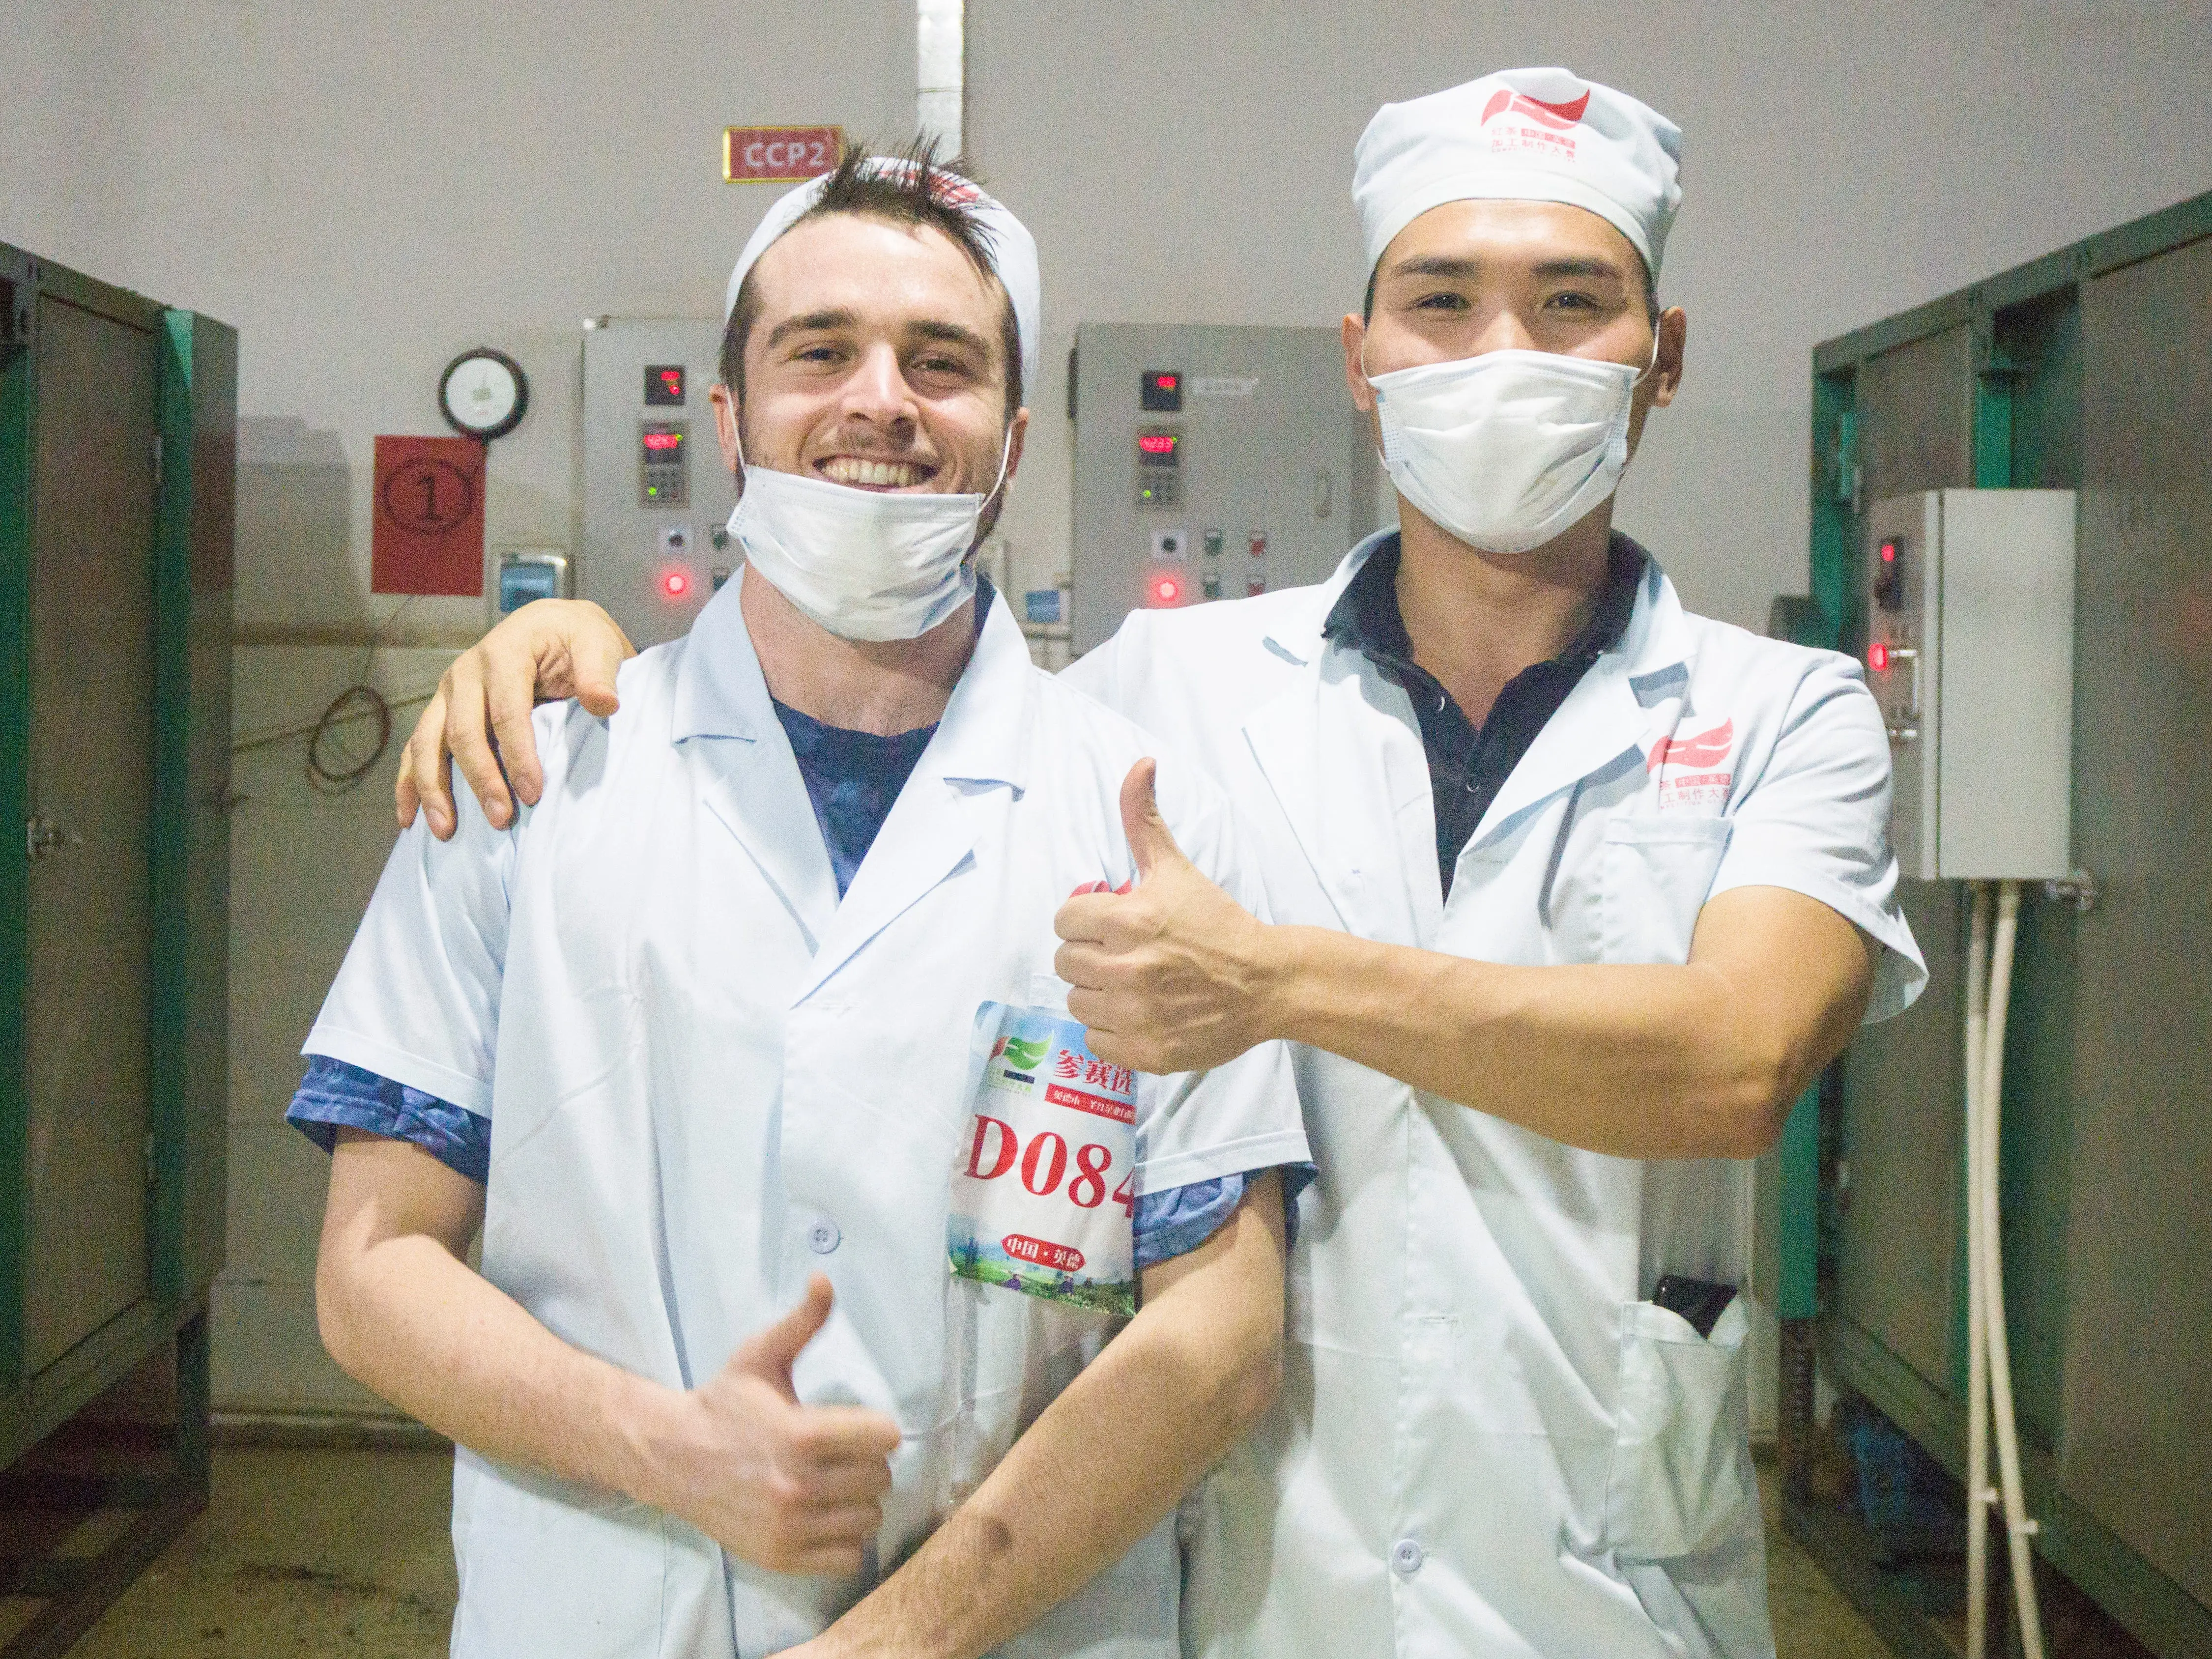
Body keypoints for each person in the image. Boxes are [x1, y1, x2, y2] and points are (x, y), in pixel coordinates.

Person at [399, 71, 1925, 1659]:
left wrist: (1270, 982)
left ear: (1659, 358)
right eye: (1442, 303)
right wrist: (582, 651)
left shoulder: (1778, 712)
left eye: (1571, 303)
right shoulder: (1170, 691)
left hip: (1611, 1582)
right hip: (1261, 1585)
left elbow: (1732, 1067)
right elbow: (883, 713)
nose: (1502, 359)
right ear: (1362, 360)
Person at [293, 145, 1308, 1659]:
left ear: (1012, 439)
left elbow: (1219, 1328)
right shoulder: (534, 775)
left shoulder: (1144, 818)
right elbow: (372, 1274)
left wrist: (898, 1644)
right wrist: (673, 1452)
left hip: (1023, 1622)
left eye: (941, 364)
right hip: (612, 1608)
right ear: (728, 419)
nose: (880, 401)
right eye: (818, 351)